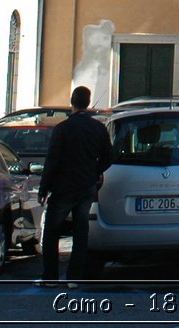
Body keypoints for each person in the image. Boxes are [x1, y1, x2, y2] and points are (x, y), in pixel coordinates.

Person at [37, 86, 113, 286]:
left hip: (63, 186)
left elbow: (52, 160)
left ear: (72, 102)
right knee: (81, 232)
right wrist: (95, 171)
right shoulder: (98, 128)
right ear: (88, 103)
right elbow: (108, 157)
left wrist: (44, 188)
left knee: (52, 231)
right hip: (86, 185)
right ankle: (74, 277)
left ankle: (50, 276)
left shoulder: (62, 129)